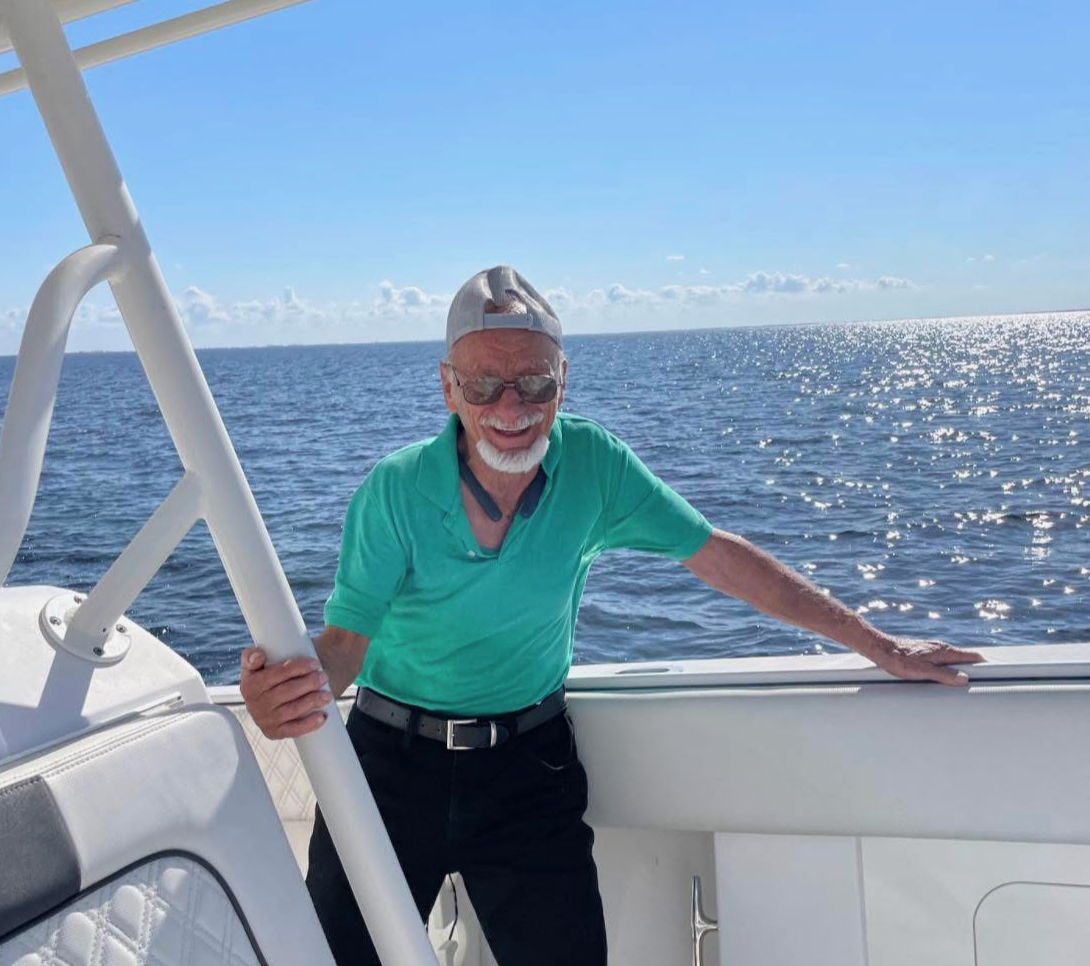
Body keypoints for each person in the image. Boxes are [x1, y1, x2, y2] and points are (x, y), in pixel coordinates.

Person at [240, 265, 983, 966]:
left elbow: (718, 556)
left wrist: (878, 645)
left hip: (527, 770)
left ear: (562, 381)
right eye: (484, 383)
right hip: (388, 767)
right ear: (448, 388)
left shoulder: (594, 466)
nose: (510, 408)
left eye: (534, 382)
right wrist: (284, 692)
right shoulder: (394, 489)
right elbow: (345, 645)